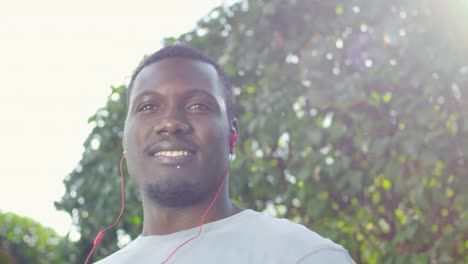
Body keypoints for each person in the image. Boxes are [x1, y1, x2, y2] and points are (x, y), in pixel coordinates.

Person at [94, 44, 354, 263]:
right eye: (148, 106)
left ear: (232, 135)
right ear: (124, 141)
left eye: (198, 105)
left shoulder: (303, 255)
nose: (171, 123)